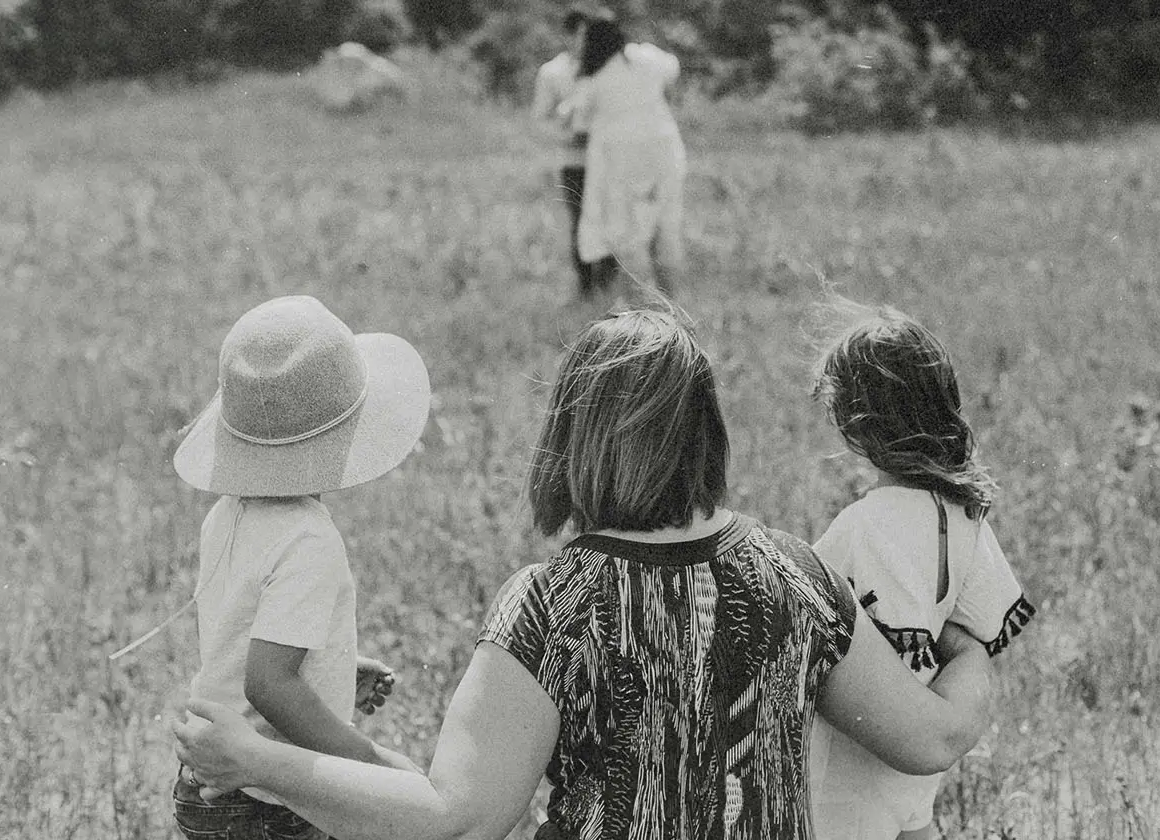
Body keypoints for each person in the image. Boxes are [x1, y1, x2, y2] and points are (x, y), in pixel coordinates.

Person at [174, 310, 994, 840]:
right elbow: (933, 740)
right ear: (708, 432)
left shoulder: (554, 605)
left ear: (570, 437)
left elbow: (458, 818)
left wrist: (254, 760)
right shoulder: (799, 576)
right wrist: (974, 650)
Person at [169, 295, 433, 840]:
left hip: (209, 781)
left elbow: (241, 637)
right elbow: (268, 684)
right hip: (269, 795)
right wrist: (367, 761)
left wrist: (328, 665)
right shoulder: (308, 537)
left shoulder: (227, 513)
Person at [807, 303, 1035, 840]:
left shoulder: (860, 526)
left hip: (849, 764)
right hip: (913, 779)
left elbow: (798, 617)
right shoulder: (966, 518)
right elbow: (983, 627)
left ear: (856, 423)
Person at [563, 18, 687, 297]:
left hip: (621, 157)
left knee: (629, 232)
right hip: (664, 148)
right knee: (666, 225)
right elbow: (673, 70)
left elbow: (577, 123)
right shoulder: (646, 57)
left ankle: (648, 304)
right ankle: (672, 301)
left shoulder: (593, 77)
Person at [531, 9, 617, 299]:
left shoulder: (607, 67)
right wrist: (569, 136)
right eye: (581, 36)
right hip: (574, 160)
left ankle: (608, 281)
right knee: (581, 220)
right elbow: (541, 119)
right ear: (569, 36)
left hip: (607, 157)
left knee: (611, 217)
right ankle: (586, 285)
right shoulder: (553, 72)